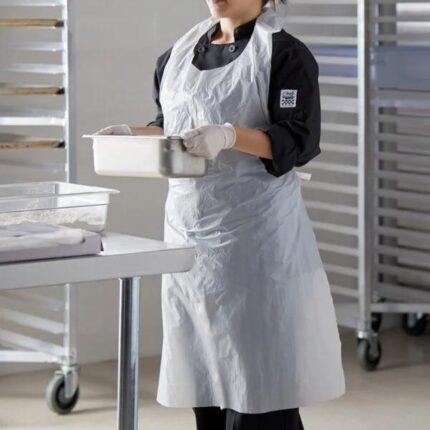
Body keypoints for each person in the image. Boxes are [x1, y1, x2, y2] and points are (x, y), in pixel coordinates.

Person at [95, 0, 346, 429]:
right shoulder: (177, 55)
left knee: (260, 384)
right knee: (205, 378)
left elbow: (298, 139)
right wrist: (134, 135)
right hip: (189, 237)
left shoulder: (284, 54)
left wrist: (229, 136)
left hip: (256, 238)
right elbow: (172, 126)